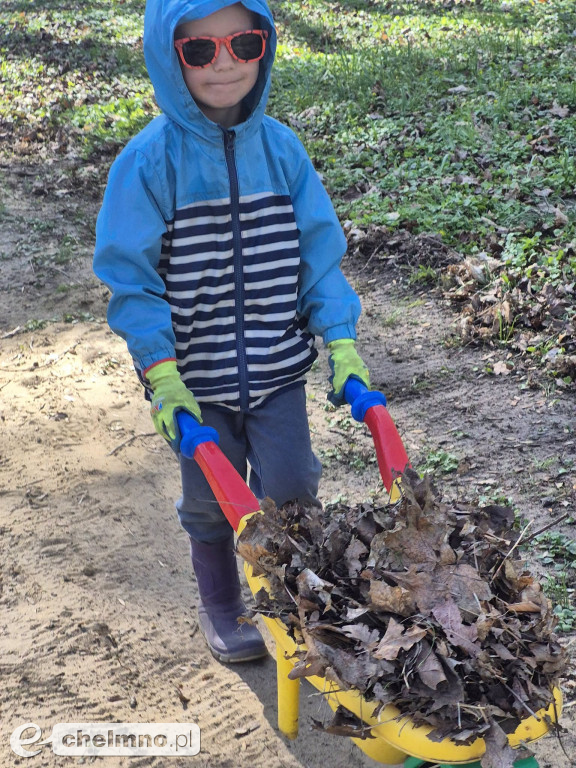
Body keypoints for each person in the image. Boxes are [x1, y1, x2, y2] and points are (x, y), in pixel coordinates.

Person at [93, 0, 371, 664]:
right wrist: (161, 374)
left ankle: (292, 603)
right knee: (213, 503)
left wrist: (340, 340)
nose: (224, 65)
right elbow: (132, 281)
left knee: (294, 490)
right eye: (199, 51)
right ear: (169, 55)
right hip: (196, 383)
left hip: (277, 371)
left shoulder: (284, 151)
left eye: (243, 45)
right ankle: (221, 604)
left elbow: (317, 256)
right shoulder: (148, 164)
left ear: (265, 48)